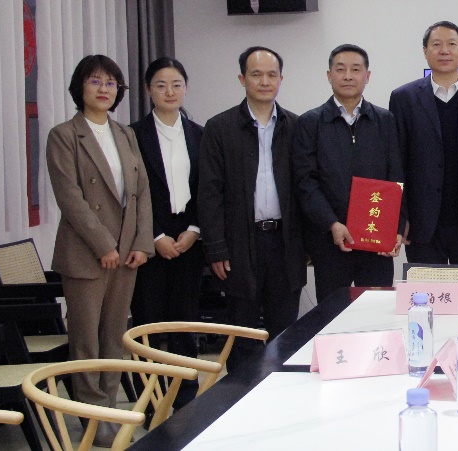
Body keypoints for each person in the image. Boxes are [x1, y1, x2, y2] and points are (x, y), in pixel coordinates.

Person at [46, 55, 153, 447]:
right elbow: (70, 197)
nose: (104, 89)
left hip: (126, 254)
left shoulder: (125, 134)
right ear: (80, 87)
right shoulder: (64, 135)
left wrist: (141, 243)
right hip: (86, 254)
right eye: (95, 81)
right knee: (86, 339)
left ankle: (109, 408)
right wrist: (104, 244)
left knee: (113, 335)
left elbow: (140, 193)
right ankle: (92, 416)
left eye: (111, 83)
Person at [198, 46, 306, 373]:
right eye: (256, 74)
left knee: (284, 331)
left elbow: (305, 188)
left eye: (272, 75)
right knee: (241, 331)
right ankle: (241, 395)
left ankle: (282, 393)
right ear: (242, 79)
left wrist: (307, 245)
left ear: (281, 79)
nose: (264, 81)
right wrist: (216, 248)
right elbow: (210, 193)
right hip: (239, 243)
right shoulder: (220, 128)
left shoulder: (296, 126)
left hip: (284, 242)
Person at [293, 44, 405, 302]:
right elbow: (305, 182)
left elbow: (396, 177)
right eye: (340, 69)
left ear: (367, 76)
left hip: (376, 240)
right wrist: (331, 223)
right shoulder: (310, 123)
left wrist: (396, 228)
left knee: (377, 309)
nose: (348, 76)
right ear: (329, 75)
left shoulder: (385, 120)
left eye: (355, 69)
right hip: (330, 240)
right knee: (332, 311)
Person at [388, 21, 458, 264]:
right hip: (422, 222)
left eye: (451, 44)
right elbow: (397, 162)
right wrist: (400, 217)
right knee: (425, 288)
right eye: (436, 44)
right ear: (425, 51)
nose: (444, 51)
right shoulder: (403, 98)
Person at [129, 57, 205, 409]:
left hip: (189, 237)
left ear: (185, 88)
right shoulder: (133, 135)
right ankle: (150, 403)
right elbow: (132, 192)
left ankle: (186, 399)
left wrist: (194, 229)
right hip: (149, 239)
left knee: (185, 321)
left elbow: (207, 188)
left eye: (176, 84)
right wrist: (155, 236)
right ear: (148, 90)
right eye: (161, 85)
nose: (169, 92)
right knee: (149, 324)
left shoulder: (200, 134)